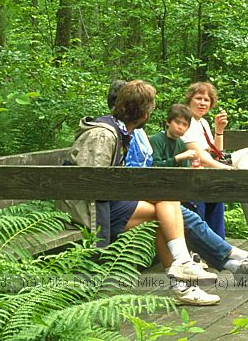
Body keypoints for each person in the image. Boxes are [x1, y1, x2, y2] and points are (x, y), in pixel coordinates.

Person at [64, 80, 221, 305]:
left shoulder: (122, 132)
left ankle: (182, 270)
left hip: (109, 200)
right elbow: (90, 184)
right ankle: (183, 276)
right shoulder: (103, 135)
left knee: (165, 204)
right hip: (86, 207)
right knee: (164, 206)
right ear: (145, 114)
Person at [143, 101, 248, 283]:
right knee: (193, 212)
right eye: (178, 123)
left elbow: (198, 163)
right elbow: (152, 168)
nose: (181, 128)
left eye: (184, 125)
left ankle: (235, 262)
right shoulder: (157, 141)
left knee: (212, 198)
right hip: (160, 193)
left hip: (176, 191)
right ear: (168, 122)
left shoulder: (186, 139)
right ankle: (235, 258)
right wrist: (179, 158)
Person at [182, 81, 248, 258]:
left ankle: (245, 181)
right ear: (189, 100)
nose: (202, 103)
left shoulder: (203, 122)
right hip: (196, 172)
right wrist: (228, 171)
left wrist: (219, 130)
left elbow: (217, 154)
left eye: (206, 100)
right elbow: (202, 158)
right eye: (198, 98)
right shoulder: (185, 121)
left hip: (213, 166)